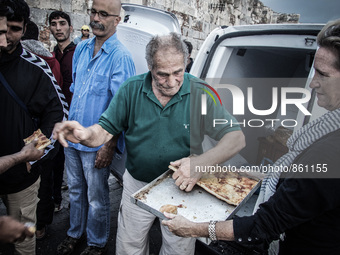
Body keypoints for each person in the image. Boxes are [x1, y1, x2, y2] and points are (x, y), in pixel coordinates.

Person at [53, 32, 245, 255]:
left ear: (186, 63)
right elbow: (104, 131)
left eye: (178, 72)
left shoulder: (201, 93)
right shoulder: (131, 89)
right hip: (137, 184)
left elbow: (236, 138)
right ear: (150, 67)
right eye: (162, 74)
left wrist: (200, 164)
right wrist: (85, 134)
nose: (171, 82)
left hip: (182, 188)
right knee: (129, 247)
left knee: (178, 249)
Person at [162, 19, 340, 255]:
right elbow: (301, 180)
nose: (313, 82)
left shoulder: (330, 151)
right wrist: (233, 173)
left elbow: (264, 225)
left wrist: (194, 228)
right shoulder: (329, 136)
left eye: (322, 74)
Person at [55, 0, 135, 254]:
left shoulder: (121, 58)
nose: (96, 18)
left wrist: (109, 145)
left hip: (98, 143)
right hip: (73, 138)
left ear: (117, 20)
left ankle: (96, 243)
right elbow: (76, 91)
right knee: (76, 191)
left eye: (104, 14)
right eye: (93, 12)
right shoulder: (81, 48)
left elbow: (123, 109)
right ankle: (74, 233)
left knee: (97, 198)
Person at [0, 0, 67, 254]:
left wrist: (36, 153)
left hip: (22, 177)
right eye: (1, 30)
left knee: (25, 238)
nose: (6, 39)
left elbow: (57, 112)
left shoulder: (36, 67)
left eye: (14, 30)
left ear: (25, 27)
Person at [49, 10, 76, 213]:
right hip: (57, 115)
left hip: (75, 117)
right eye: (54, 24)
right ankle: (56, 198)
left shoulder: (77, 53)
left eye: (62, 23)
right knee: (55, 160)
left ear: (70, 27)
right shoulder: (53, 54)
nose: (58, 28)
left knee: (75, 168)